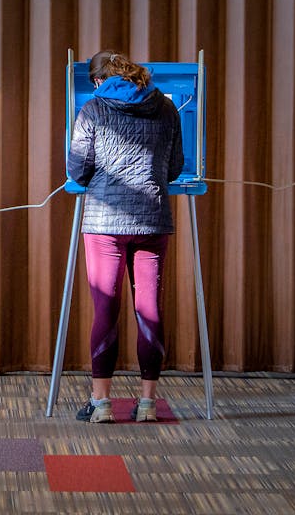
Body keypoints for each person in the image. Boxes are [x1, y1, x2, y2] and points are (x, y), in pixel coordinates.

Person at [66, 49, 184, 423]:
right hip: (152, 219)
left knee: (106, 309)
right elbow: (176, 166)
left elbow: (77, 170)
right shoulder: (166, 108)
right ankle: (147, 403)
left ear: (99, 81)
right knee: (149, 308)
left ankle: (101, 404)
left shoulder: (93, 110)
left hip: (105, 222)